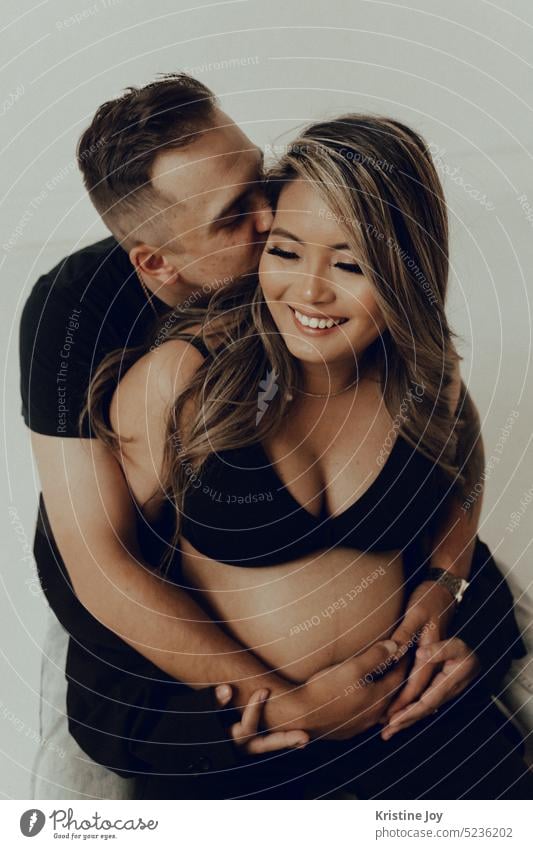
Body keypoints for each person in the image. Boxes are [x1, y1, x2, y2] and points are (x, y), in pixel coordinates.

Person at [86, 113, 533, 799]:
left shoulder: (425, 376)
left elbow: (460, 472)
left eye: (349, 263)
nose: (310, 290)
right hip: (256, 740)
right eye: (286, 251)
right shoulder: (182, 382)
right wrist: (252, 705)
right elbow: (107, 569)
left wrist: (446, 587)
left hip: (413, 719)